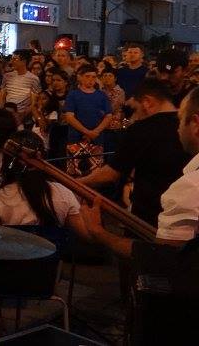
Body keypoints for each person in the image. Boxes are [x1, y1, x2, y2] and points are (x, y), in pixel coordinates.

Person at [81, 86, 199, 258]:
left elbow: (168, 261)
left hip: (148, 219)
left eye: (181, 119)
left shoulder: (190, 187)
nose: (177, 127)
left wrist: (99, 232)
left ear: (195, 124)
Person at [0, 130, 88, 239]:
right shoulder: (63, 193)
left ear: (8, 162)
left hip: (14, 255)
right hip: (54, 255)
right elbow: (83, 235)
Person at [63, 65, 113, 174]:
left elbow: (108, 115)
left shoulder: (101, 95)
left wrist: (96, 131)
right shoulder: (73, 95)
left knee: (95, 172)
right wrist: (87, 132)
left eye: (93, 77)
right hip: (76, 138)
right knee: (75, 171)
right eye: (87, 76)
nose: (91, 80)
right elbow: (69, 116)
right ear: (79, 77)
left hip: (96, 139)